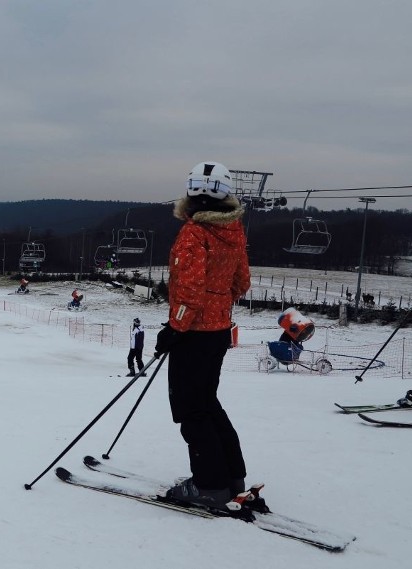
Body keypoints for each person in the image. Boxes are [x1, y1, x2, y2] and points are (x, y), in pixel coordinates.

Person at [154, 161, 251, 511]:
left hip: (193, 334)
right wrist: (218, 305)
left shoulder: (194, 233)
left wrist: (174, 329)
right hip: (217, 332)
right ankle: (231, 476)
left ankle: (209, 485)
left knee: (191, 409)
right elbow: (241, 282)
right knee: (207, 402)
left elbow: (189, 290)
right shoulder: (233, 230)